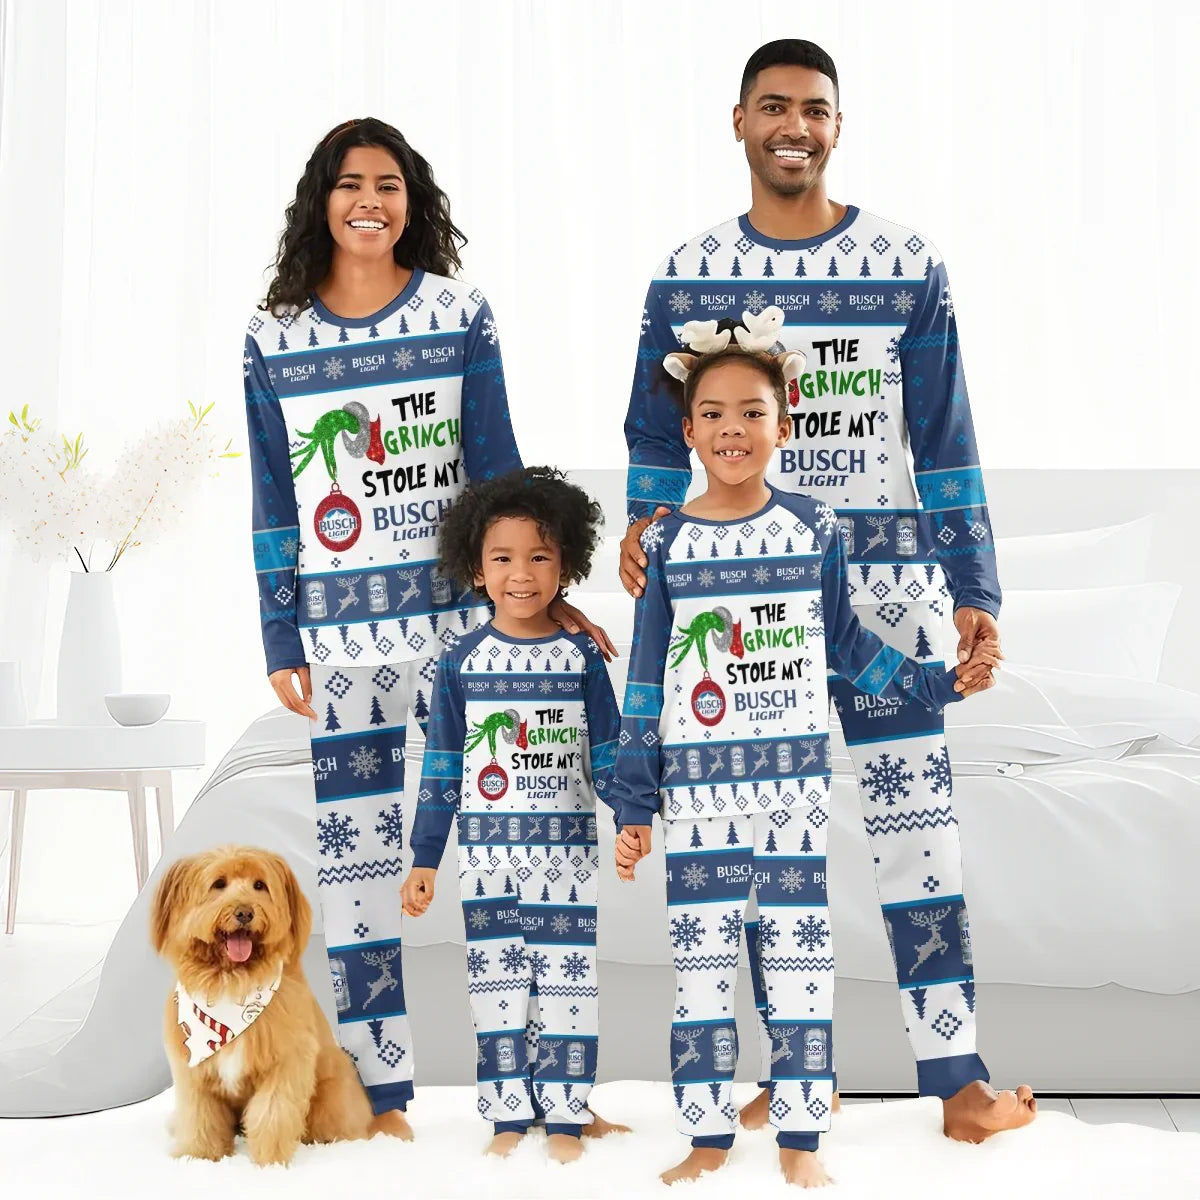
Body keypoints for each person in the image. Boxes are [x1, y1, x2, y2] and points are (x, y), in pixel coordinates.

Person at [619, 40, 1037, 1144]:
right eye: (773, 107)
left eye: (814, 109)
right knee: (762, 844)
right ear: (741, 122)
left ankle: (957, 1082)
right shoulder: (690, 269)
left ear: (837, 126)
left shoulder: (908, 261)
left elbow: (944, 434)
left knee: (918, 829)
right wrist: (642, 525)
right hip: (744, 610)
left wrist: (973, 582)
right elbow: (656, 431)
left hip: (892, 594)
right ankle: (793, 1072)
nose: (793, 125)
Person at [244, 118, 612, 1133]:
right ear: (322, 199)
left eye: (391, 184)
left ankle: (545, 1090)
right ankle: (383, 1092)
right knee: (358, 866)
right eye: (353, 182)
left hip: (463, 633)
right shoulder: (275, 335)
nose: (372, 199)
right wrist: (283, 640)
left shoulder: (457, 313)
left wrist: (549, 584)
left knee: (506, 844)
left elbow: (497, 461)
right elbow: (277, 501)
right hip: (344, 645)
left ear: (414, 202)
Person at [611, 345, 988, 1188]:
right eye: (712, 415)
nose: (732, 430)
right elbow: (645, 680)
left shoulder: (815, 527)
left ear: (783, 425)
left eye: (751, 412)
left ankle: (801, 1140)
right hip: (699, 796)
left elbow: (848, 649)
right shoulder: (666, 543)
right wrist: (633, 803)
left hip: (793, 796)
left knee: (799, 963)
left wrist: (937, 683)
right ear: (688, 432)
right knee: (701, 968)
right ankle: (707, 1137)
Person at [401, 467, 629, 1161]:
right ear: (476, 566)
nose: (522, 575)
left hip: (566, 858)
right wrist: (424, 860)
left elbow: (610, 751)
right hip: (486, 861)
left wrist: (633, 816)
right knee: (495, 987)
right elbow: (442, 768)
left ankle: (566, 1115)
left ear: (567, 565)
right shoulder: (459, 663)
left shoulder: (581, 654)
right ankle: (506, 1115)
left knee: (567, 985)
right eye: (503, 558)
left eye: (540, 557)